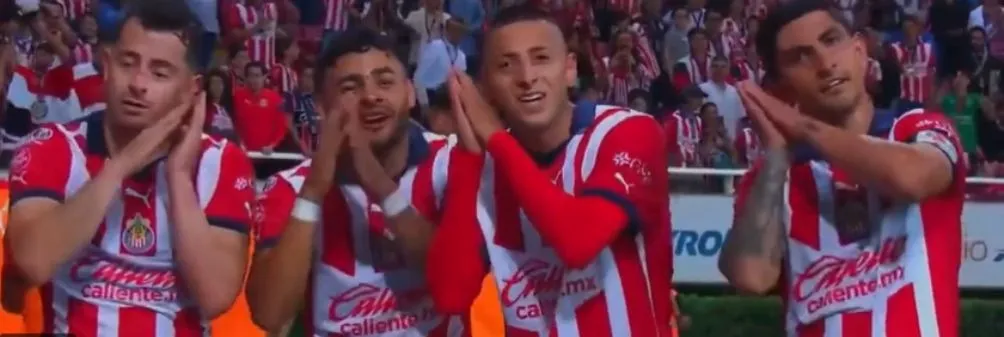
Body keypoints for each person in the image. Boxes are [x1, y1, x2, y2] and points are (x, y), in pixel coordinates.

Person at [3, 1, 257, 335]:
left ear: (192, 89)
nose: (138, 83)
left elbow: (215, 296)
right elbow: (33, 262)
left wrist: (179, 176)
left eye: (159, 72)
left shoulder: (222, 161)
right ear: (107, 67)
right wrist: (122, 164)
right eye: (128, 63)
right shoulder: (53, 146)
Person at [717, 1, 964, 336]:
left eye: (831, 40)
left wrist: (802, 127)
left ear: (860, 51)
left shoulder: (917, 127)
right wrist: (776, 153)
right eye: (800, 57)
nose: (824, 63)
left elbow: (913, 179)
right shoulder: (774, 175)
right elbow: (750, 277)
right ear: (779, 88)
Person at [426, 4, 672, 336]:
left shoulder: (628, 131)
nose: (527, 78)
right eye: (506, 65)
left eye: (541, 58)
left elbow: (577, 243)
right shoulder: (483, 168)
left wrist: (495, 137)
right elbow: (450, 296)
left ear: (569, 69)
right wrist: (469, 158)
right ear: (486, 87)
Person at [245, 27, 466, 336]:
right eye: (350, 87)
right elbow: (269, 314)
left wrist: (382, 189)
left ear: (410, 93)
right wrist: (313, 193)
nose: (371, 96)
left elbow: (458, 284)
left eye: (385, 82)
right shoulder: (290, 187)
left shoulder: (451, 162)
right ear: (321, 107)